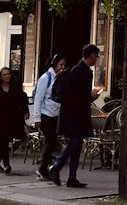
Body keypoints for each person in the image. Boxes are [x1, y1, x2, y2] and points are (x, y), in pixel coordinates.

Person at [48, 43, 102, 189]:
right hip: (75, 114)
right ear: (91, 56)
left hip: (74, 113)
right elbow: (76, 95)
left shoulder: (78, 69)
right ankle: (56, 167)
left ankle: (71, 176)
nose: (97, 59)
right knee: (74, 143)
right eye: (96, 56)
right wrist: (90, 96)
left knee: (76, 145)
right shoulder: (81, 71)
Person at [31, 54, 66, 182]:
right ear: (54, 64)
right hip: (45, 114)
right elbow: (38, 98)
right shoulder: (46, 78)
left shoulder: (59, 77)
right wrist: (37, 118)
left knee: (51, 141)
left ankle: (44, 166)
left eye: (64, 65)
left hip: (55, 114)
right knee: (51, 140)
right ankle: (42, 168)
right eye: (60, 65)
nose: (62, 67)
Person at [0, 67, 29, 174]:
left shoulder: (15, 89)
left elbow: (23, 98)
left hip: (13, 120)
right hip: (0, 121)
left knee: (7, 142)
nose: (7, 76)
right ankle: (6, 164)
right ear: (1, 77)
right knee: (3, 142)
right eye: (4, 75)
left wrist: (25, 111)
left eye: (8, 74)